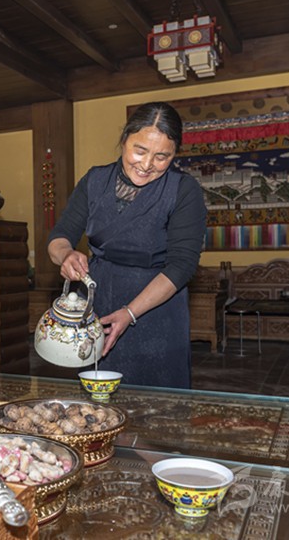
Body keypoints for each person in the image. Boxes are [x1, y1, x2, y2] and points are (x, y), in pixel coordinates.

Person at [47, 102, 207, 389]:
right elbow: (60, 236)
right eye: (139, 151)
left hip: (156, 309)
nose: (146, 165)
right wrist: (66, 255)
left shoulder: (183, 190)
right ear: (124, 140)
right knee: (97, 401)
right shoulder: (95, 180)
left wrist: (130, 312)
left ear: (174, 155)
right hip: (99, 303)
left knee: (156, 401)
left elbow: (182, 265)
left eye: (161, 157)